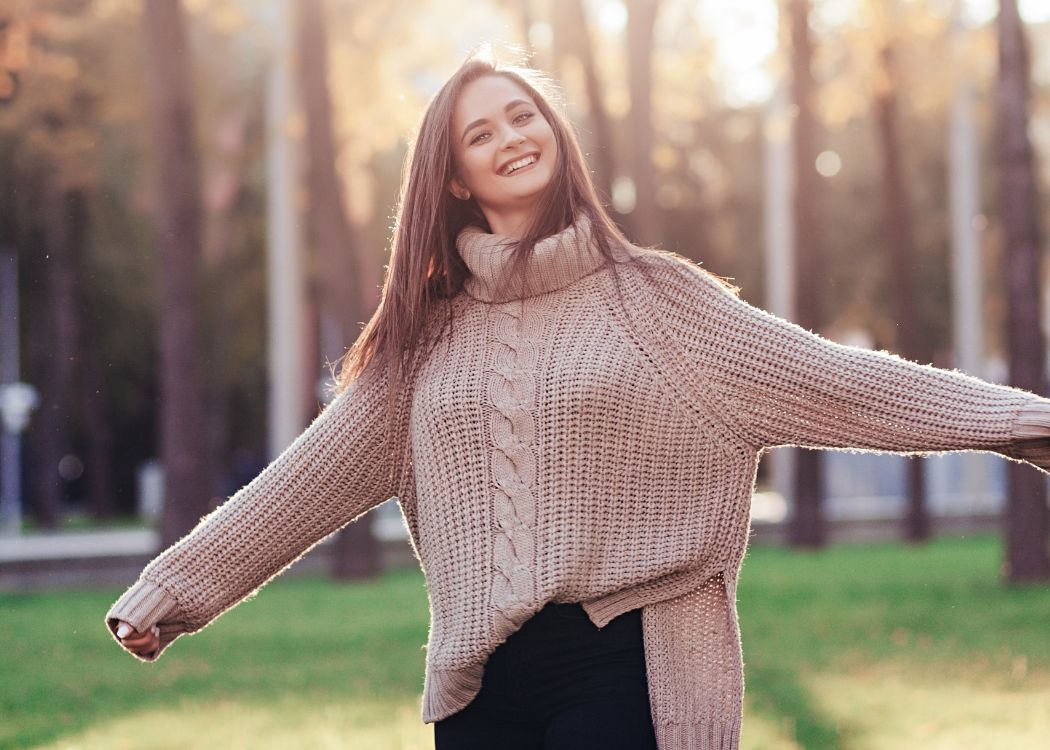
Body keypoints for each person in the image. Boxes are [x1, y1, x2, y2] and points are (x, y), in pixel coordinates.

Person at [108, 47, 1050, 750]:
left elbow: (839, 381)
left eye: (524, 116)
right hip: (478, 684)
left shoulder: (660, 300)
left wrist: (1021, 419)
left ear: (555, 133)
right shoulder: (422, 342)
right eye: (482, 132)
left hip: (632, 662)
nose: (512, 138)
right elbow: (301, 484)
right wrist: (172, 592)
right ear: (453, 175)